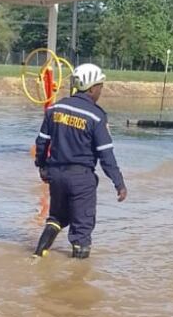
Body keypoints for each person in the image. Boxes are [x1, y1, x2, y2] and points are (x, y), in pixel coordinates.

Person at [32, 62, 127, 259]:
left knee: (57, 217)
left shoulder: (55, 109)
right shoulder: (96, 116)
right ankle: (76, 278)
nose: (101, 90)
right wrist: (119, 183)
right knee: (82, 229)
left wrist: (42, 166)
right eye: (100, 86)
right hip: (81, 179)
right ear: (92, 88)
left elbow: (41, 142)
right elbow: (106, 155)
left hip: (56, 176)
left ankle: (38, 253)